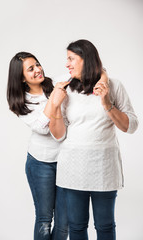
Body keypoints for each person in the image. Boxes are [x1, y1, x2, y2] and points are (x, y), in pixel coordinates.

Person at [49, 39, 139, 240]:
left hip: (104, 167)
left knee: (105, 225)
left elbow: (130, 126)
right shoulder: (64, 86)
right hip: (73, 167)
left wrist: (107, 103)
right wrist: (55, 106)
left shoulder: (113, 86)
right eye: (67, 59)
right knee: (77, 226)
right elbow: (59, 134)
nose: (67, 64)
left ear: (86, 59)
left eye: (71, 58)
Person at [7, 52, 69, 240]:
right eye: (31, 69)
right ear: (21, 78)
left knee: (64, 221)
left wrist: (103, 75)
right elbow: (42, 128)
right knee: (44, 219)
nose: (38, 70)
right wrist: (54, 100)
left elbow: (85, 71)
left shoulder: (54, 84)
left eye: (38, 65)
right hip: (40, 163)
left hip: (67, 161)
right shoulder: (20, 102)